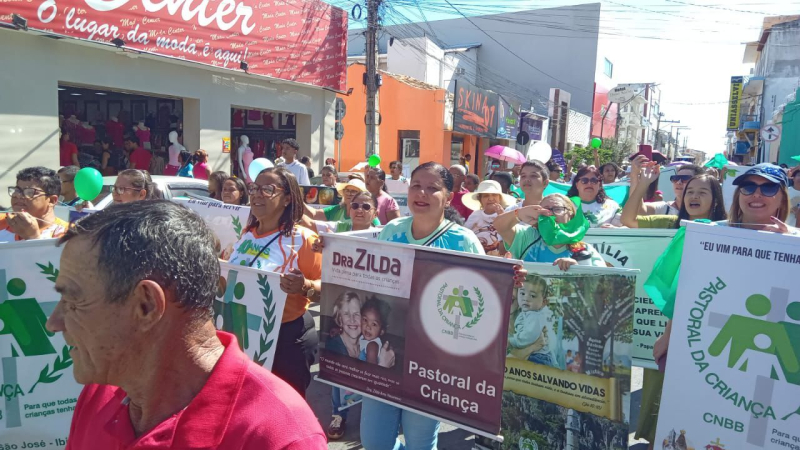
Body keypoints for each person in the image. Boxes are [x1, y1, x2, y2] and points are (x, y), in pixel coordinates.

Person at [47, 200, 326, 449]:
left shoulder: (278, 436)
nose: (53, 323)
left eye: (73, 302)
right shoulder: (100, 395)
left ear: (147, 305)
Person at [359, 162, 525, 450]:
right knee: (375, 442)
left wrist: (510, 282)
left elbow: (484, 296)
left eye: (432, 188)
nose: (421, 193)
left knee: (420, 443)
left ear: (449, 198)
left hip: (433, 362)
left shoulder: (463, 241)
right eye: (416, 185)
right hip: (388, 351)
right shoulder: (392, 230)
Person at [227, 168, 321, 397]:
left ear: (287, 198)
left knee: (283, 407)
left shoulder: (304, 240)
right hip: (245, 333)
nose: (257, 195)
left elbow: (330, 288)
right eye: (254, 188)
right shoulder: (246, 234)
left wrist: (305, 286)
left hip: (287, 339)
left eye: (267, 189)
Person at [495, 193, 606, 268]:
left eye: (557, 209)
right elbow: (500, 226)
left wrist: (577, 269)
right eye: (545, 210)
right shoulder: (528, 236)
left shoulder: (584, 250)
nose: (550, 214)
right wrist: (520, 213)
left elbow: (602, 282)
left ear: (571, 214)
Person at [622, 167, 727, 229]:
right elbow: (628, 220)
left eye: (702, 192)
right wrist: (643, 183)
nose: (694, 196)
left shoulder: (727, 228)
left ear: (716, 200)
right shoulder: (670, 223)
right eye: (689, 192)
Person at [1, 167, 68, 242]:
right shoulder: (3, 223)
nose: (18, 195)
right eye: (17, 190)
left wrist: (32, 238)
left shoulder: (67, 234)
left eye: (29, 192)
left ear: (52, 200)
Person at [631, 157, 704, 216]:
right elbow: (636, 211)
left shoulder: (705, 211)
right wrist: (635, 176)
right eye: (675, 178)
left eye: (685, 178)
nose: (678, 182)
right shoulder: (665, 208)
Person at [463, 180, 515, 256]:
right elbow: (464, 234)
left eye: (494, 195)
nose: (490, 199)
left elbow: (512, 238)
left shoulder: (506, 214)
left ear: (500, 198)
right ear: (480, 199)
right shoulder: (475, 215)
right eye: (486, 196)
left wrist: (502, 217)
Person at [304, 178, 380, 226]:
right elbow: (314, 214)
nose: (349, 193)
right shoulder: (336, 210)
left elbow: (379, 234)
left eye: (354, 191)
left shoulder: (369, 215)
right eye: (347, 190)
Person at [306, 191, 380, 234]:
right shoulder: (338, 228)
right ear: (350, 210)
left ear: (375, 214)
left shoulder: (380, 237)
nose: (359, 210)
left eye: (366, 207)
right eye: (355, 206)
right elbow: (309, 223)